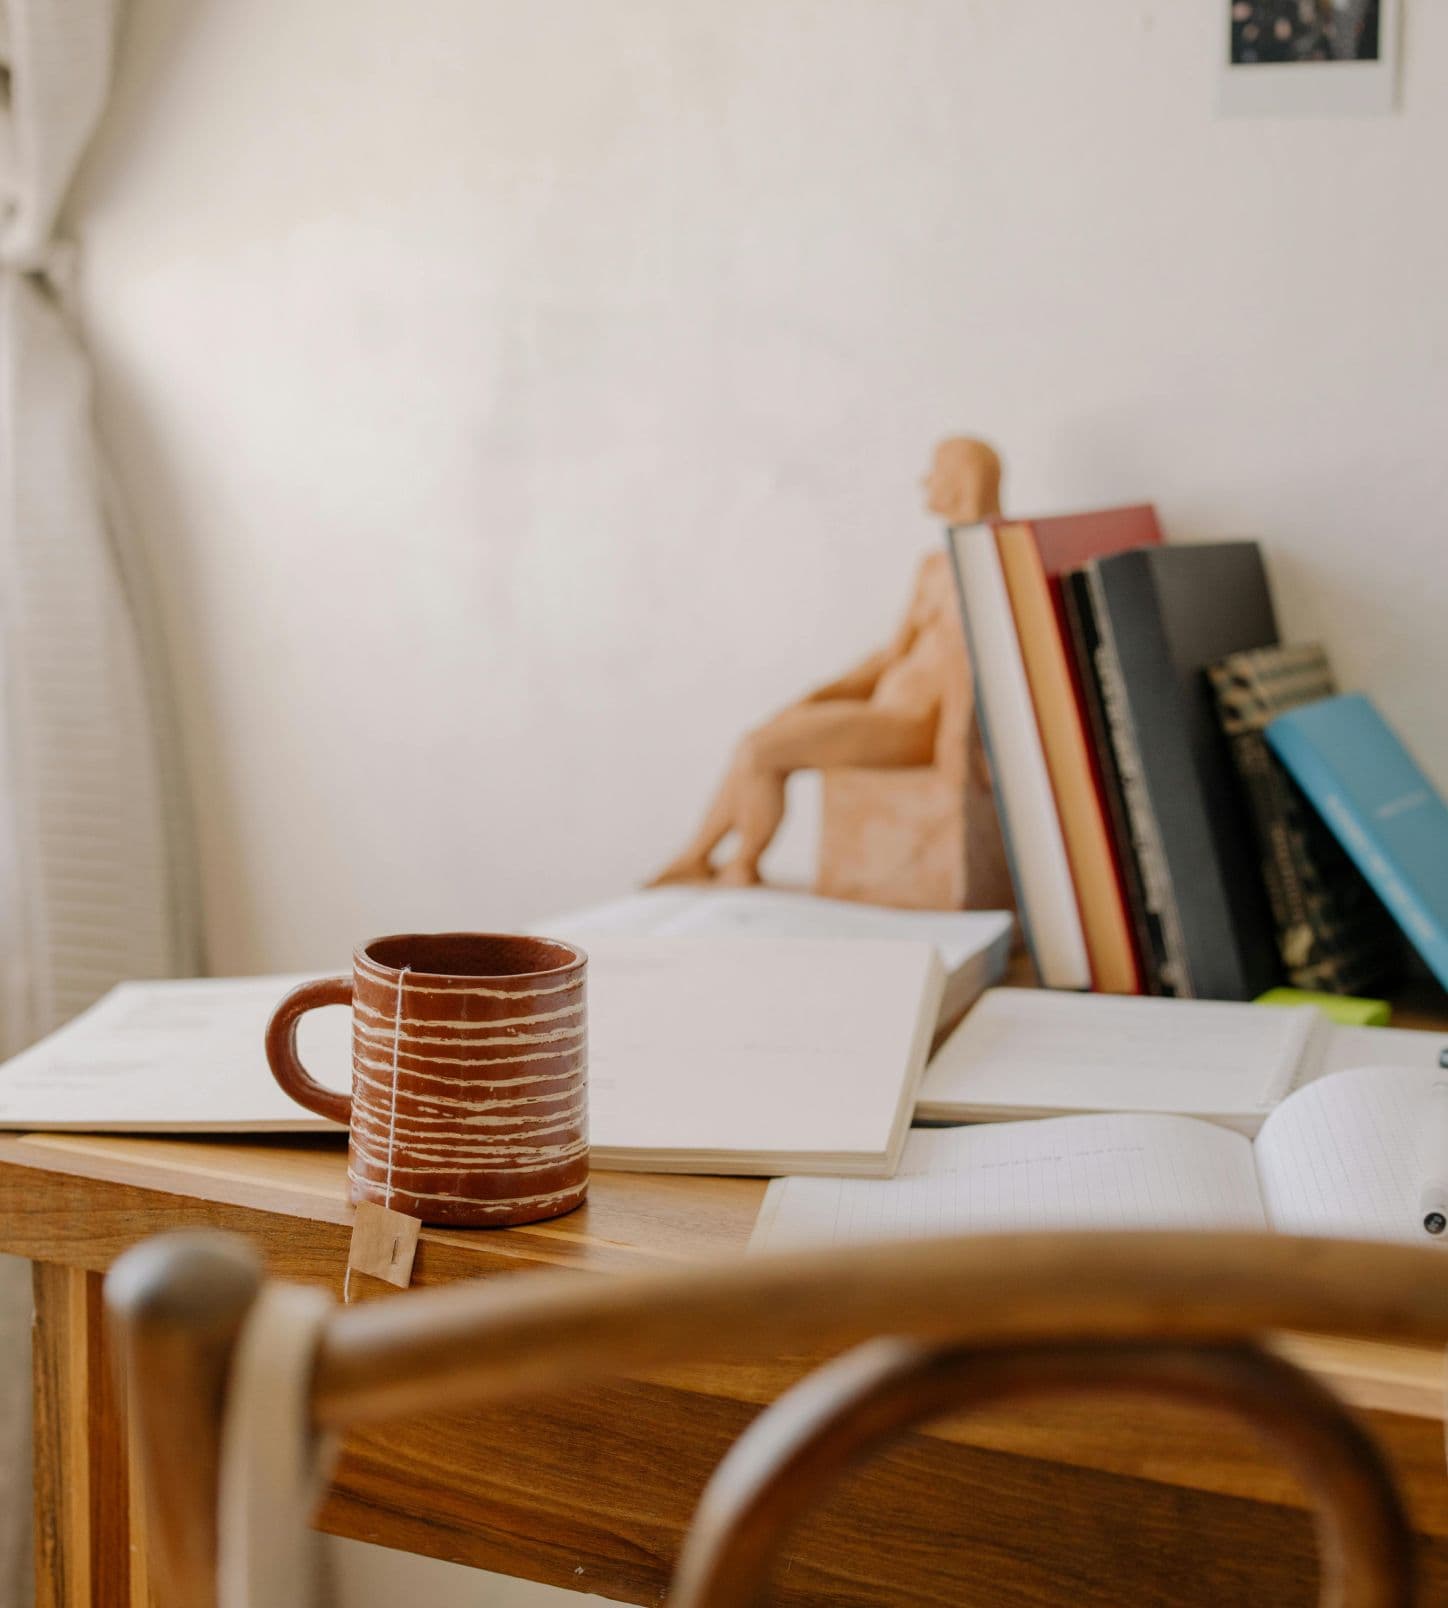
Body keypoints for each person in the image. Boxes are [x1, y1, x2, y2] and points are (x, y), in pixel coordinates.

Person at [651, 438, 1002, 888]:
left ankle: (738, 863)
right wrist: (826, 691)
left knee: (761, 748)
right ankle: (702, 857)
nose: (924, 481)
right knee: (760, 738)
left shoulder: (992, 568)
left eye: (935, 470)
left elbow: (977, 670)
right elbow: (890, 655)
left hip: (911, 723)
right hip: (882, 709)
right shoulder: (934, 566)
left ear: (961, 482)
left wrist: (963, 749)